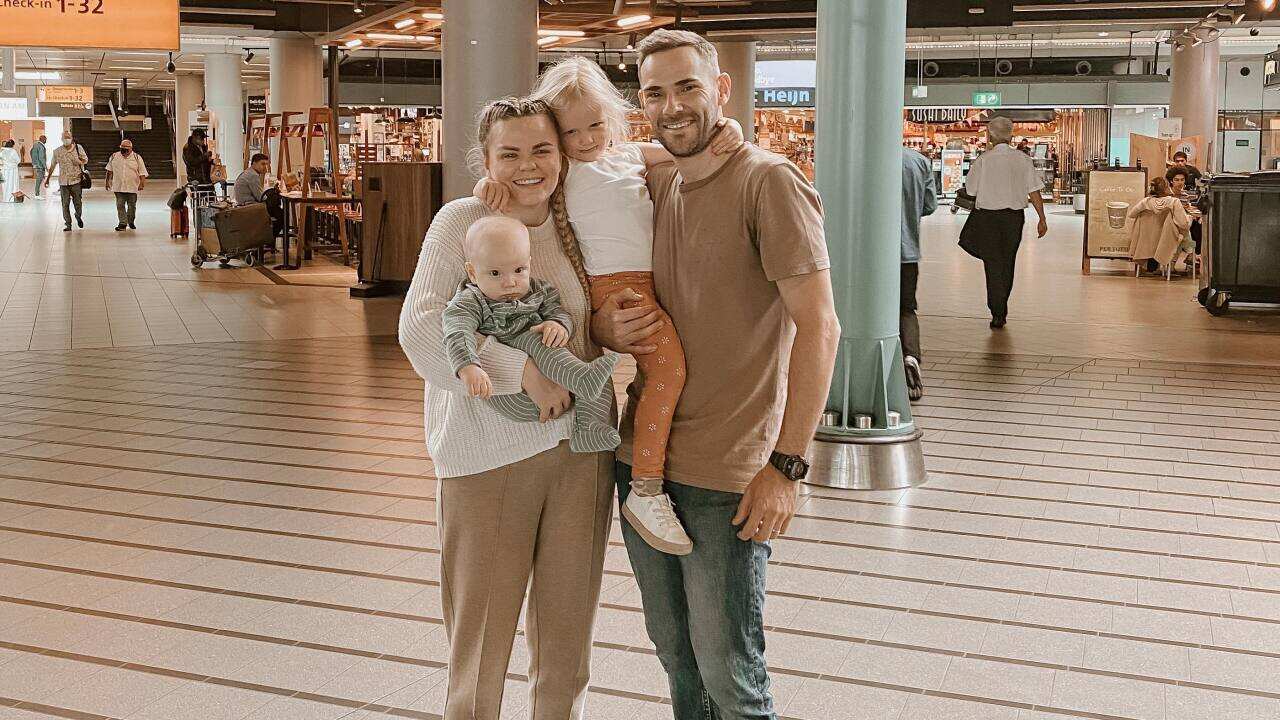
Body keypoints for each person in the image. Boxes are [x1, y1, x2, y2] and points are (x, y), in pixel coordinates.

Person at [592, 29, 840, 719]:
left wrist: (787, 466)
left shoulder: (769, 181)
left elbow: (821, 327)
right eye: (654, 92)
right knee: (676, 656)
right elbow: (584, 160)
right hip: (642, 463)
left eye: (687, 87)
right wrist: (598, 329)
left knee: (731, 672)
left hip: (726, 476)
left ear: (722, 90)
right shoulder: (661, 176)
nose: (672, 106)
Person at [474, 55, 744, 556]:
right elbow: (508, 189)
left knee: (658, 374)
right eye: (572, 132)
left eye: (597, 124)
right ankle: (645, 487)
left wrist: (727, 128)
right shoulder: (565, 173)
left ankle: (630, 459)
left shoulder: (627, 156)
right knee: (669, 372)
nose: (588, 139)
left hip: (649, 283)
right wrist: (489, 185)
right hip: (617, 288)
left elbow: (686, 150)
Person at [398, 96, 613, 720]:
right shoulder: (461, 221)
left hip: (580, 457)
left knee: (567, 646)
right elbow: (422, 328)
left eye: (542, 149)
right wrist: (523, 373)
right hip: (487, 461)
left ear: (563, 153)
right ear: (486, 160)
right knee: (481, 648)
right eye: (509, 153)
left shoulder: (575, 224)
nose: (528, 166)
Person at [443, 215, 620, 451]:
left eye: (519, 270)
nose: (510, 282)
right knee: (536, 338)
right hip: (515, 398)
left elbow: (559, 312)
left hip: (558, 383)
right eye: (495, 273)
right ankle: (583, 379)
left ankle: (589, 430)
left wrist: (558, 325)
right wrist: (468, 366)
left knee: (599, 382)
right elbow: (456, 331)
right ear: (473, 273)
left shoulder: (539, 290)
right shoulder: (471, 300)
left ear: (529, 263)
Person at [959, 115, 1048, 329]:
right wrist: (1042, 218)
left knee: (992, 263)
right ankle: (1001, 306)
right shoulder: (1023, 159)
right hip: (1014, 219)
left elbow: (970, 190)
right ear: (1012, 136)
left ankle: (997, 310)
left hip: (987, 219)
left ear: (990, 136)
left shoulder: (983, 160)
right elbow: (1034, 191)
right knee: (1008, 262)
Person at [901, 146, 938, 402]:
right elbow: (929, 206)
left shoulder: (860, 154)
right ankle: (910, 357)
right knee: (906, 308)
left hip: (865, 256)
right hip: (906, 250)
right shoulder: (919, 161)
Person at [1127, 175, 1191, 275]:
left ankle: (1151, 262)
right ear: (1166, 187)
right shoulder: (1174, 202)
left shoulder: (1145, 202)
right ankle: (1189, 256)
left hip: (1147, 240)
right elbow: (1183, 223)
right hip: (1167, 240)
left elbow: (1131, 214)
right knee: (1186, 233)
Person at [45, 132, 88, 231]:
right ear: (61, 139)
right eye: (64, 138)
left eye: (68, 138)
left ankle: (78, 215)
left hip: (76, 180)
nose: (66, 139)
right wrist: (47, 179)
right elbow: (52, 166)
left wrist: (78, 161)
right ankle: (68, 224)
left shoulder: (78, 148)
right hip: (63, 182)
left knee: (78, 202)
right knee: (65, 204)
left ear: (72, 138)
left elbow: (86, 160)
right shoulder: (57, 151)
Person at [234, 153, 285, 235]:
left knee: (276, 210)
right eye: (262, 164)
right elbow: (260, 197)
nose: (265, 167)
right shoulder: (253, 176)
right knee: (281, 215)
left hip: (243, 204)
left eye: (266, 164)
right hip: (249, 206)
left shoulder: (248, 173)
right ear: (254, 163)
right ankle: (269, 240)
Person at [105, 139, 148, 231]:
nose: (123, 151)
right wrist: (107, 181)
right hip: (118, 186)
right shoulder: (114, 156)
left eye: (126, 149)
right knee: (120, 204)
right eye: (122, 148)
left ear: (131, 149)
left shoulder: (137, 157)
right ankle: (122, 223)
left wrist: (142, 183)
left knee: (132, 205)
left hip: (132, 186)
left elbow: (142, 172)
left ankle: (131, 221)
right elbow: (109, 170)